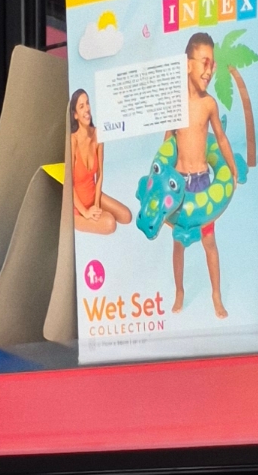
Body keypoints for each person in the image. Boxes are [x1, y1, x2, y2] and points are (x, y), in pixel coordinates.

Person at [134, 29, 241, 318]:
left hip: (203, 181)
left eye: (212, 64)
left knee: (209, 242)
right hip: (177, 184)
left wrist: (232, 171)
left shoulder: (209, 104)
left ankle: (216, 295)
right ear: (187, 65)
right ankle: (180, 291)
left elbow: (220, 140)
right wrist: (158, 181)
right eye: (205, 62)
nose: (209, 70)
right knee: (178, 244)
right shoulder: (175, 103)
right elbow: (167, 144)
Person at [69, 88, 130, 234]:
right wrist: (85, 212)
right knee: (110, 223)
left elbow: (100, 174)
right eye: (81, 106)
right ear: (75, 115)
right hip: (77, 208)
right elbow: (69, 183)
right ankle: (84, 218)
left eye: (87, 103)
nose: (87, 109)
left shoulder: (98, 134)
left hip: (93, 196)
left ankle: (97, 210)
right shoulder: (73, 140)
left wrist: (96, 205)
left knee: (126, 216)